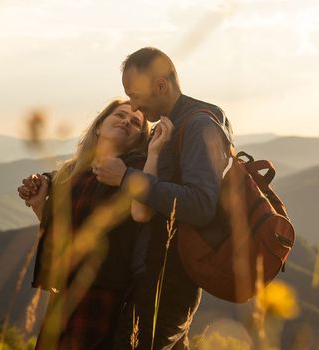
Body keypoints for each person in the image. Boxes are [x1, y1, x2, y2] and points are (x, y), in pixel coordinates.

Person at [93, 47, 235, 349]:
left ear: (161, 86)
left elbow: (199, 205)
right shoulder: (172, 125)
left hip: (169, 283)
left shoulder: (200, 125)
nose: (133, 105)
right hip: (154, 277)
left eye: (135, 95)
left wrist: (126, 178)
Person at [18, 99, 153, 349]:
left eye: (135, 123)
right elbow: (63, 236)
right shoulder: (73, 173)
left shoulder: (133, 174)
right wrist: (40, 206)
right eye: (120, 115)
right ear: (100, 126)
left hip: (101, 295)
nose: (126, 121)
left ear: (138, 139)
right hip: (63, 294)